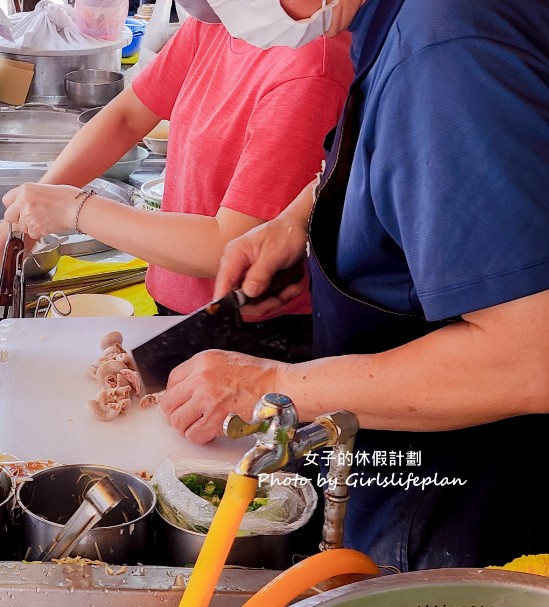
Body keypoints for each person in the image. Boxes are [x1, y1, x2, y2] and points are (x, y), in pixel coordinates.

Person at [159, 0, 549, 571]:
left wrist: (273, 386)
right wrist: (305, 222)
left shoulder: (446, 59)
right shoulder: (397, 23)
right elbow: (397, 157)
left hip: (475, 501)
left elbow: (529, 356)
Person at [0, 0, 352, 352]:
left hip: (252, 327)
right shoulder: (220, 21)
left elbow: (229, 243)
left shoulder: (309, 69)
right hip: (176, 303)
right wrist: (36, 203)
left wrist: (74, 209)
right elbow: (128, 116)